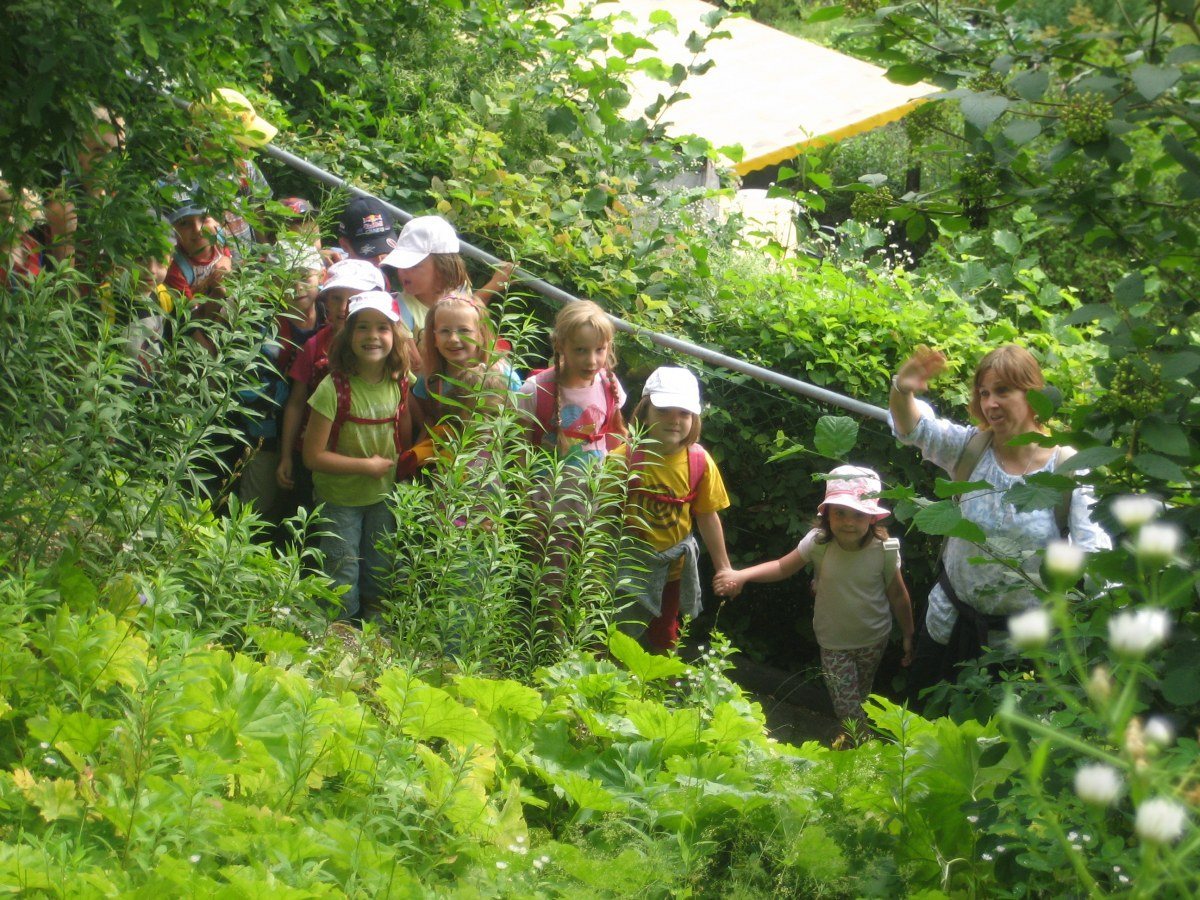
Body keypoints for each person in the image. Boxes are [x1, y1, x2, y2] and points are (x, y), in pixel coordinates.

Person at [889, 344, 1110, 696]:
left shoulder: (1068, 469)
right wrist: (903, 387)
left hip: (1027, 650)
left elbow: (1096, 554)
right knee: (924, 731)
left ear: (1033, 394)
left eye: (1003, 391)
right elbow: (914, 427)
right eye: (984, 392)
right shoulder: (970, 448)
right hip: (949, 625)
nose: (990, 403)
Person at [716, 466, 914, 724]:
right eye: (840, 512)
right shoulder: (818, 543)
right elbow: (781, 566)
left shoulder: (884, 551)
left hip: (873, 639)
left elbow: (898, 595)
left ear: (872, 517)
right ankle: (864, 749)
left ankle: (849, 738)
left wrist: (908, 634)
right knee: (848, 708)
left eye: (858, 514)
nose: (849, 522)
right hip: (833, 643)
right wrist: (742, 575)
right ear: (827, 514)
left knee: (859, 697)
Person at [302, 291, 421, 622]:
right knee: (341, 569)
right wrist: (365, 466)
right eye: (362, 327)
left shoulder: (399, 381)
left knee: (381, 567)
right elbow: (312, 456)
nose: (373, 336)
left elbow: (405, 421)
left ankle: (374, 636)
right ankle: (340, 636)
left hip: (384, 495)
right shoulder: (333, 388)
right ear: (348, 334)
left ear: (395, 335)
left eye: (382, 328)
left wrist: (405, 463)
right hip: (340, 498)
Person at [615, 367, 734, 653]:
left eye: (684, 413)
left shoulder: (699, 462)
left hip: (672, 569)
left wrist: (724, 567)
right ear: (644, 412)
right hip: (627, 567)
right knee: (617, 631)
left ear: (694, 419)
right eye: (665, 410)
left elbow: (707, 515)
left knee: (665, 633)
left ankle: (659, 688)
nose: (675, 420)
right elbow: (603, 517)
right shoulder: (622, 460)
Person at [276, 258, 385, 499]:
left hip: (366, 452)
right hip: (313, 450)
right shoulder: (315, 346)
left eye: (355, 298)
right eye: (336, 298)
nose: (344, 307)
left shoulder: (385, 349)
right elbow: (296, 402)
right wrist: (285, 455)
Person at [518, 300, 626, 462]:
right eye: (580, 350)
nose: (591, 361)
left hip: (594, 486)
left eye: (599, 350)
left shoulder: (609, 385)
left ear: (608, 347)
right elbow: (519, 452)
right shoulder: (534, 390)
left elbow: (614, 441)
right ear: (560, 346)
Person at [381, 215, 515, 338]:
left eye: (413, 266)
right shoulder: (400, 309)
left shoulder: (460, 289)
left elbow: (470, 311)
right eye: (400, 264)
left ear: (442, 267)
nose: (403, 271)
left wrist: (494, 285)